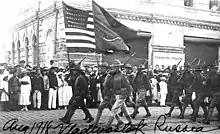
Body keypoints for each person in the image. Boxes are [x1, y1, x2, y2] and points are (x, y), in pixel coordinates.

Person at [104, 59, 133, 129]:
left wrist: (130, 96)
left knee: (114, 109)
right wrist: (108, 76)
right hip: (116, 94)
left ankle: (107, 125)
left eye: (115, 67)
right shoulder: (112, 75)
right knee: (124, 109)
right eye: (113, 67)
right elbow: (107, 84)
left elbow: (128, 86)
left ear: (118, 67)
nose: (113, 68)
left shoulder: (122, 75)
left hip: (122, 94)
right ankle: (130, 122)